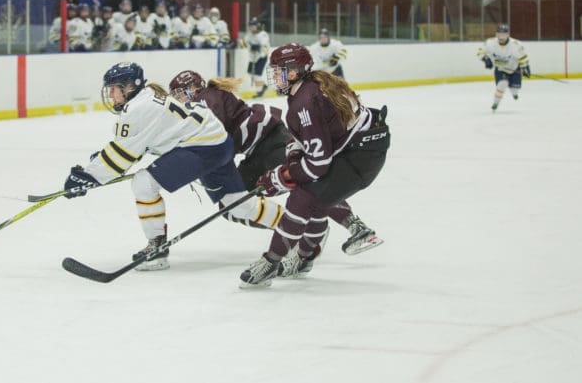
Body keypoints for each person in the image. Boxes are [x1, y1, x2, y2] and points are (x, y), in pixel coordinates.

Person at [61, 62, 283, 271]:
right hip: (217, 142)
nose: (110, 94)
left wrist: (88, 176)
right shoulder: (147, 98)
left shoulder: (138, 109)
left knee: (144, 183)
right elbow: (134, 146)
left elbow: (121, 156)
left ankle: (156, 248)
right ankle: (293, 227)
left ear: (130, 87)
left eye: (114, 89)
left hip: (203, 146)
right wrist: (96, 167)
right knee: (238, 205)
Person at [169, 69, 383, 253]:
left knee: (307, 182)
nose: (177, 99)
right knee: (232, 205)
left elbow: (213, 137)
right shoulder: (202, 101)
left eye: (179, 94)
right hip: (255, 153)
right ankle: (298, 231)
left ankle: (357, 227)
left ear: (192, 90)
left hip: (272, 140)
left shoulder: (205, 99)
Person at [239, 44, 390, 288]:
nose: (275, 76)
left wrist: (283, 176)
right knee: (317, 201)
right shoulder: (311, 88)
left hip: (361, 156)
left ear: (296, 71)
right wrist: (292, 160)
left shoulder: (305, 101)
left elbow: (318, 163)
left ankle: (271, 262)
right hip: (364, 148)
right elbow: (309, 140)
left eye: (280, 71)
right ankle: (302, 260)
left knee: (302, 198)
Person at [477, 24, 529, 112]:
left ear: (508, 34)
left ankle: (514, 92)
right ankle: (495, 103)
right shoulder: (490, 43)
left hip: (514, 69)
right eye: (499, 33)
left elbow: (522, 57)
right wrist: (486, 59)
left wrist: (525, 68)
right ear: (496, 34)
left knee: (515, 89)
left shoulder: (515, 44)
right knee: (502, 84)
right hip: (500, 69)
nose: (501, 36)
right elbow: (480, 52)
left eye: (504, 34)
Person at [239, 18, 271, 97]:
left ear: (257, 26)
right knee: (250, 73)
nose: (251, 28)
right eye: (250, 26)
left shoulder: (263, 34)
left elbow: (266, 48)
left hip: (261, 57)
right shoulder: (249, 35)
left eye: (253, 26)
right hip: (252, 58)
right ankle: (263, 87)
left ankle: (259, 92)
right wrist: (242, 44)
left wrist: (258, 48)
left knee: (257, 75)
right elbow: (242, 44)